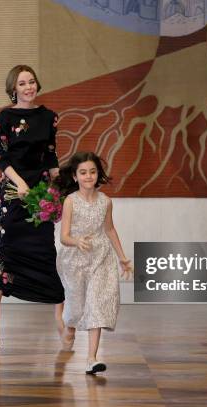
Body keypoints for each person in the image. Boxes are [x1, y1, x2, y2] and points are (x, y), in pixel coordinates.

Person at [0, 65, 65, 347]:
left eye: (31, 82)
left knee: (45, 250)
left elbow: (52, 158)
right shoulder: (4, 119)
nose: (29, 87)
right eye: (22, 83)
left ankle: (60, 320)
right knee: (6, 251)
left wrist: (61, 191)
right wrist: (19, 183)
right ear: (13, 88)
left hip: (42, 194)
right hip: (12, 192)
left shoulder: (49, 118)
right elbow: (2, 159)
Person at [55, 152, 133, 374]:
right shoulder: (70, 201)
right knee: (76, 307)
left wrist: (122, 257)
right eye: (83, 172)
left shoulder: (106, 201)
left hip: (101, 257)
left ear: (97, 174)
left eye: (92, 171)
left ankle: (91, 358)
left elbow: (109, 229)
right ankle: (68, 326)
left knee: (96, 304)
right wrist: (76, 241)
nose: (88, 176)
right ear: (75, 176)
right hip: (75, 260)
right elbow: (64, 237)